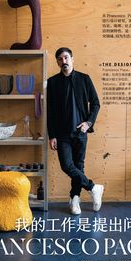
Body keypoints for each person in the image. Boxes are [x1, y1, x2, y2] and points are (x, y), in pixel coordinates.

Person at [47, 47, 104, 215]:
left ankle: (75, 199)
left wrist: (89, 122)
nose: (63, 61)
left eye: (66, 57)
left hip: (80, 132)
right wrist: (52, 135)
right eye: (60, 59)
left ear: (72, 58)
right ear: (57, 62)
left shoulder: (84, 79)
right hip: (62, 133)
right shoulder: (53, 82)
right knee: (67, 165)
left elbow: (95, 103)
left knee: (78, 166)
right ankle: (94, 188)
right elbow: (50, 111)